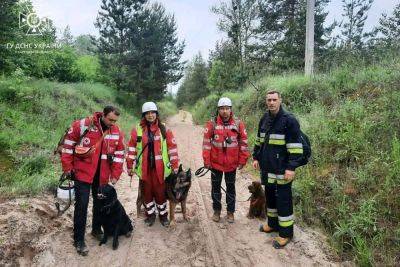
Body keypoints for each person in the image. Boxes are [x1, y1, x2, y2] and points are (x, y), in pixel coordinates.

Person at [61, 106, 125, 256]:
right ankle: (79, 240)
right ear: (102, 115)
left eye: (115, 121)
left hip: (101, 175)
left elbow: (119, 153)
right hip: (82, 173)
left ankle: (96, 230)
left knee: (100, 204)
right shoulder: (83, 125)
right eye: (110, 119)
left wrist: (115, 174)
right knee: (81, 206)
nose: (112, 123)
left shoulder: (116, 132)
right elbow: (68, 145)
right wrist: (67, 167)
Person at [253, 90, 304, 249]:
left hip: (283, 170)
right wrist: (255, 157)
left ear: (280, 100)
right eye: (269, 100)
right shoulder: (264, 118)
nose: (271, 102)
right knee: (270, 198)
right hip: (268, 168)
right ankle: (272, 224)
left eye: (274, 99)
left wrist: (291, 167)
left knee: (283, 201)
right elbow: (259, 140)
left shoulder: (289, 121)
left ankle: (286, 233)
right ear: (266, 101)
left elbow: (296, 147)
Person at [126, 102, 179, 227]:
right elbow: (132, 149)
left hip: (160, 169)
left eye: (152, 113)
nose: (150, 115)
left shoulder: (164, 129)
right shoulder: (137, 129)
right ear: (144, 115)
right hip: (144, 169)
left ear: (156, 114)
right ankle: (150, 215)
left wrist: (175, 165)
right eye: (147, 113)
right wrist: (129, 165)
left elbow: (172, 149)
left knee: (160, 193)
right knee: (147, 193)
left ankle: (163, 216)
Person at [202, 97, 250, 223]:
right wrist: (206, 161)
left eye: (227, 109)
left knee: (230, 187)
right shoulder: (212, 124)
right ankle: (217, 211)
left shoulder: (238, 124)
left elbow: (244, 143)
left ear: (231, 110)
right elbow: (206, 144)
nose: (224, 111)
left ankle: (230, 212)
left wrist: (242, 160)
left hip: (231, 164)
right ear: (218, 110)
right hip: (215, 164)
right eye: (222, 109)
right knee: (215, 188)